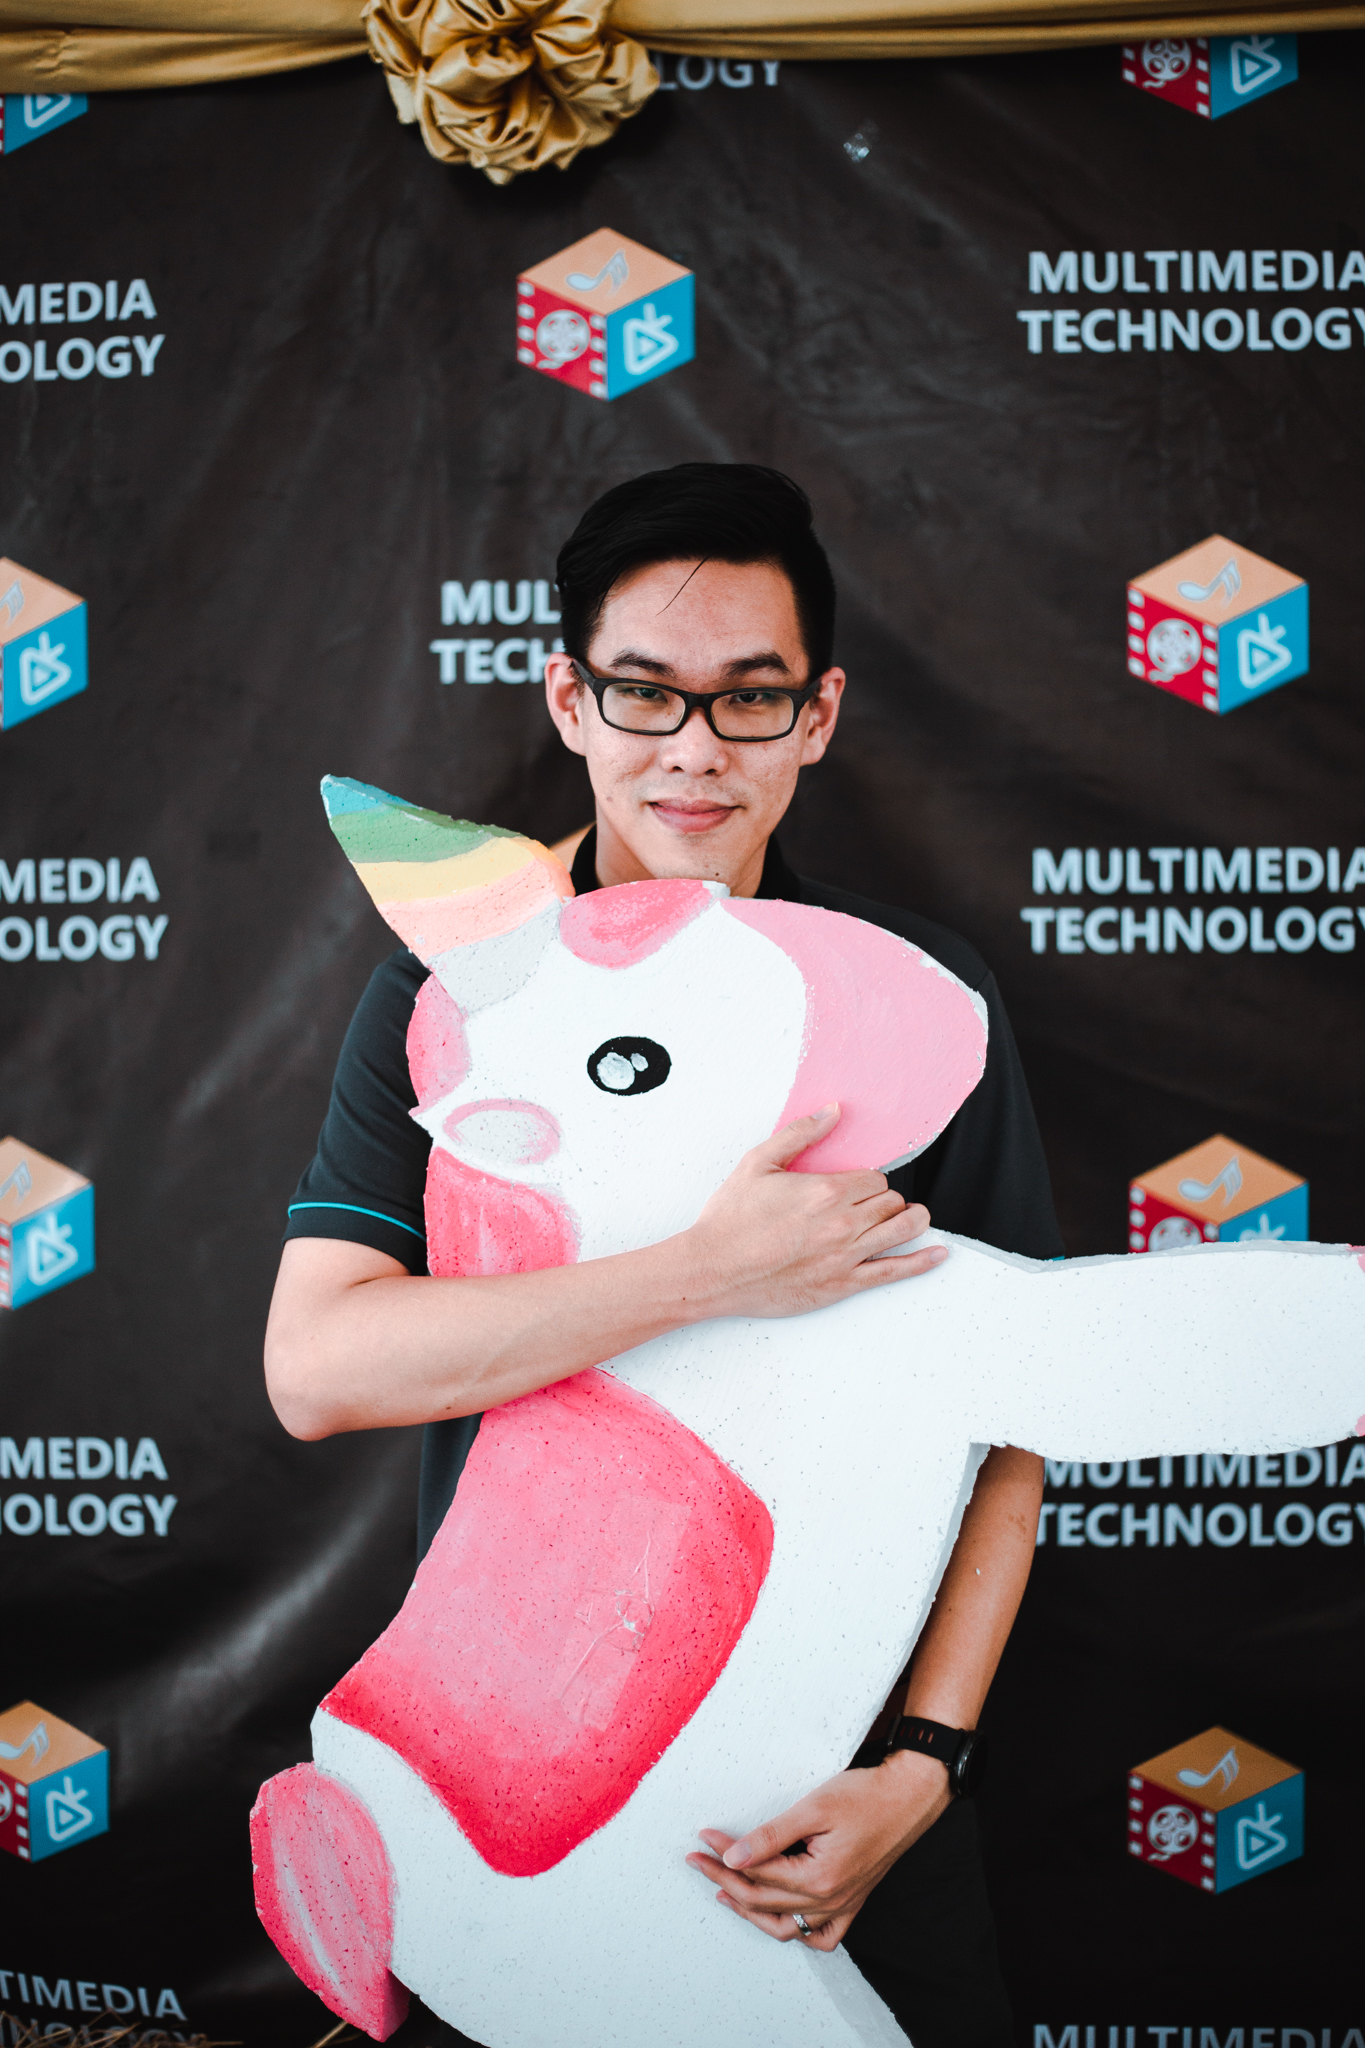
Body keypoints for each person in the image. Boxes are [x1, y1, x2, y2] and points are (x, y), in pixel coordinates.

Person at [265, 463, 1062, 2048]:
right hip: (521, 1787)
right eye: (643, 692)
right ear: (570, 699)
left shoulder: (913, 996)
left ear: (816, 717)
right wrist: (711, 1271)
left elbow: (1014, 1413)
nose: (693, 750)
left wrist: (922, 1762)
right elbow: (319, 1369)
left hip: (838, 1792)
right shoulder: (456, 995)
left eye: (748, 699)